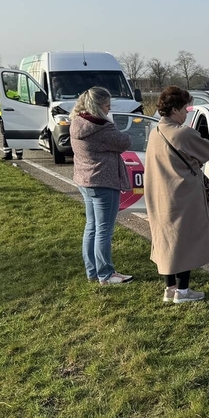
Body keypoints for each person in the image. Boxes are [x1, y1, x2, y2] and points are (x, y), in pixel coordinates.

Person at [144, 86, 209, 304]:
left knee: (165, 240)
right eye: (185, 108)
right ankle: (183, 291)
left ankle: (170, 288)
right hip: (182, 194)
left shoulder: (155, 132)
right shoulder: (182, 133)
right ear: (175, 109)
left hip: (159, 193)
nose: (187, 113)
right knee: (184, 240)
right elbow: (207, 151)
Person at [70, 86, 134, 286]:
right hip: (104, 181)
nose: (109, 110)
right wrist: (111, 122)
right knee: (104, 230)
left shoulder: (77, 122)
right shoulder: (102, 128)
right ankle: (106, 274)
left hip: (85, 180)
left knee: (92, 227)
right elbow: (126, 142)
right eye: (107, 106)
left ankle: (93, 272)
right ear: (97, 107)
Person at [0, 89, 24, 160]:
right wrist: (1, 105)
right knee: (5, 135)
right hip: (2, 117)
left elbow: (19, 104)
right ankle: (8, 154)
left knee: (16, 134)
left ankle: (19, 154)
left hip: (14, 116)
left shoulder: (14, 94)